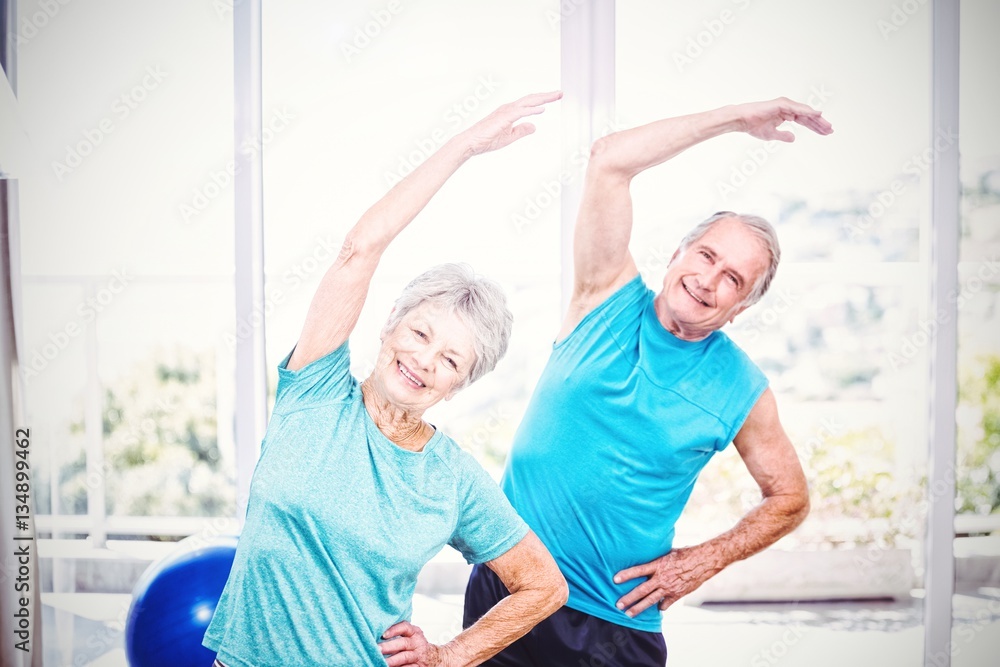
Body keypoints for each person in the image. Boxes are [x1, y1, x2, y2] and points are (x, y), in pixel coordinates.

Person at [461, 97, 835, 665]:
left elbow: (790, 498)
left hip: (612, 626)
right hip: (508, 589)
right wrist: (736, 120)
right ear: (678, 252)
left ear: (742, 307)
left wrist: (702, 560)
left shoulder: (742, 389)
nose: (708, 279)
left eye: (733, 278)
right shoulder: (603, 294)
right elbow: (610, 159)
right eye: (706, 255)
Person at [203, 92, 568, 667]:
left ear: (459, 385)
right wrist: (464, 147)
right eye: (421, 334)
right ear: (388, 326)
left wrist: (450, 656)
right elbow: (359, 249)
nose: (425, 361)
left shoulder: (453, 480)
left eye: (451, 360)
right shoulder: (314, 390)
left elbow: (545, 586)